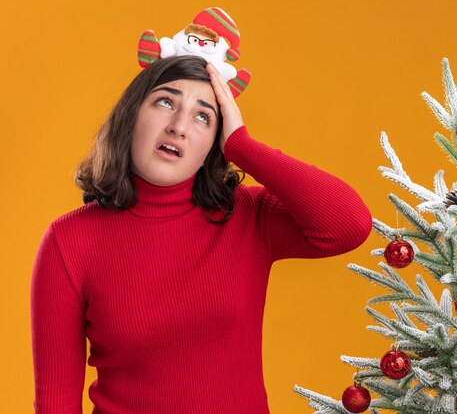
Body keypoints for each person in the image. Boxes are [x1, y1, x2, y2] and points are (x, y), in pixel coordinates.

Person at [30, 55, 372, 414]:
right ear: (131, 115)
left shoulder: (246, 215)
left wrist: (243, 146)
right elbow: (56, 404)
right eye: (166, 102)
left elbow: (349, 223)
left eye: (203, 116)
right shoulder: (68, 241)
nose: (179, 126)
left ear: (214, 143)